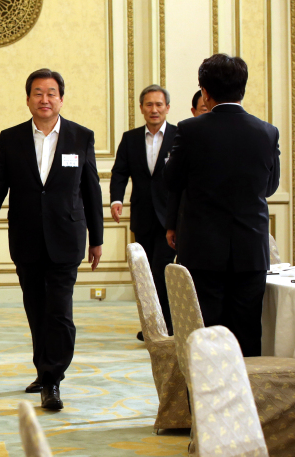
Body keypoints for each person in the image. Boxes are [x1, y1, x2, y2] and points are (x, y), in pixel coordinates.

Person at [0, 69, 104, 410]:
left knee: (59, 311)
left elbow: (91, 190)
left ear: (61, 98)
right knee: (36, 309)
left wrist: (97, 238)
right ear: (28, 98)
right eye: (38, 93)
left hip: (67, 237)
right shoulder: (11, 138)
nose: (45, 99)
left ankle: (53, 378)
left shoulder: (80, 137)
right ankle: (44, 369)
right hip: (27, 238)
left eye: (51, 93)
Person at [164, 54, 280, 357]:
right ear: (242, 88)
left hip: (202, 250)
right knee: (246, 333)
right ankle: (247, 399)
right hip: (250, 250)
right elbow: (270, 187)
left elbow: (171, 180)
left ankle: (204, 403)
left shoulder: (189, 130)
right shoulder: (267, 132)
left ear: (204, 91)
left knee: (205, 334)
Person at [110, 85, 177, 340]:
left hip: (170, 218)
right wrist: (117, 199)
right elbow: (119, 173)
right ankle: (152, 326)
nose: (154, 109)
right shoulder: (130, 138)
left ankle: (167, 325)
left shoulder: (180, 136)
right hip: (143, 216)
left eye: (159, 105)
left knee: (163, 270)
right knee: (146, 273)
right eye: (149, 105)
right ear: (141, 109)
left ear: (167, 108)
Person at [165, 90, 209, 252]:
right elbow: (175, 185)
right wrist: (171, 225)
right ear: (194, 112)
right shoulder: (186, 135)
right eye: (204, 109)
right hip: (192, 227)